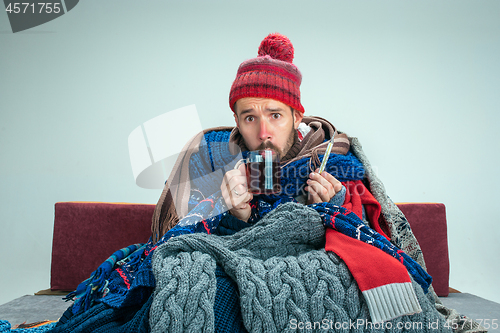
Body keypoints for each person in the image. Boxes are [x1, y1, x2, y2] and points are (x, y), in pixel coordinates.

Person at [48, 33, 478, 333]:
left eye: (275, 115)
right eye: (249, 116)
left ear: (296, 116)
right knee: (194, 282)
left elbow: (369, 234)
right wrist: (231, 214)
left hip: (305, 264)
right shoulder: (212, 158)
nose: (264, 131)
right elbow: (172, 241)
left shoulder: (333, 157)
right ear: (236, 119)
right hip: (235, 265)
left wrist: (334, 208)